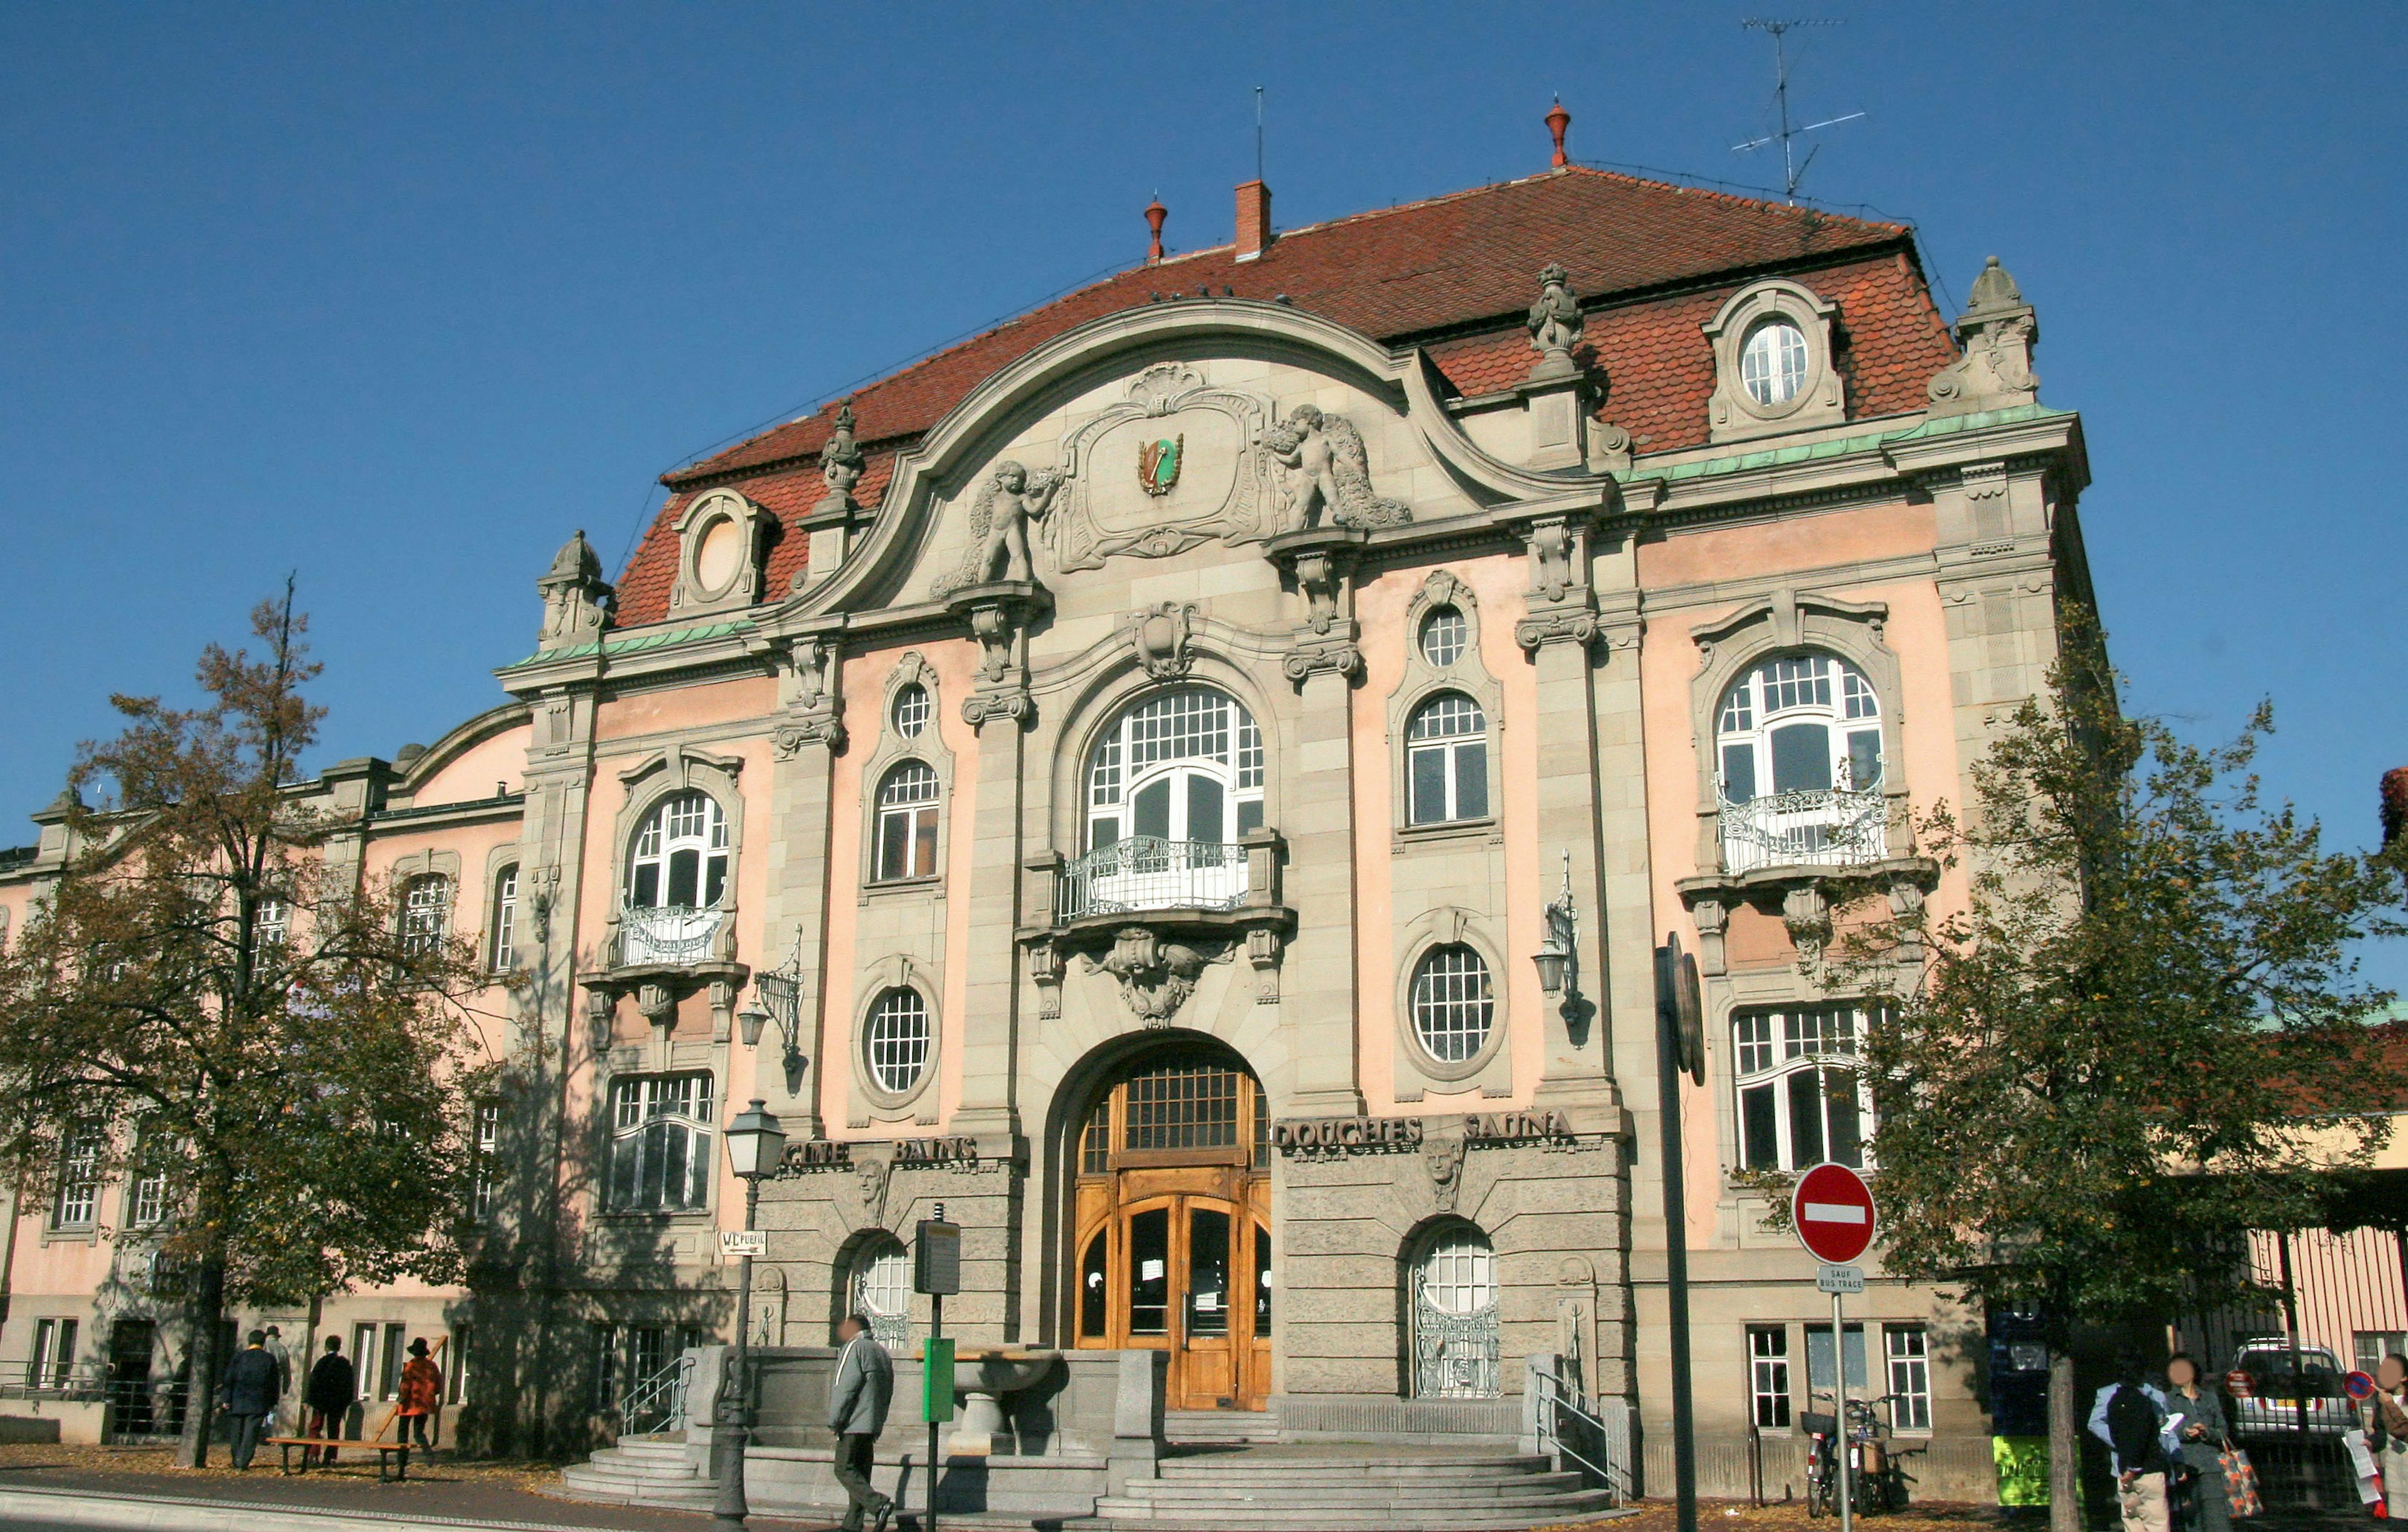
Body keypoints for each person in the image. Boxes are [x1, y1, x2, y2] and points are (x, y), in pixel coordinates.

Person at [828, 1314, 895, 1532]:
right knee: (861, 1474)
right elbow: (887, 1392)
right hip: (872, 1424)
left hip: (853, 1422)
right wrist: (879, 1423)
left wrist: (835, 1420)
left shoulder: (854, 1348)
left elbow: (844, 1388)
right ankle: (852, 1525)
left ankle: (879, 1504)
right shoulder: (881, 1352)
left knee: (843, 1469)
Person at [2090, 1355, 2172, 1532]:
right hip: (2147, 1469)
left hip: (2122, 1468)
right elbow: (2139, 1435)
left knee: (2132, 1522)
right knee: (2156, 1522)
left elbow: (2122, 1433)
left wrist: (2124, 1456)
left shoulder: (2114, 1401)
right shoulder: (2143, 1402)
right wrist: (2133, 1466)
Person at [2160, 1353, 2230, 1532]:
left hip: (2210, 1465)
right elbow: (2164, 1431)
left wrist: (2207, 1432)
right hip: (2184, 1464)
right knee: (2191, 1519)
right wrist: (2184, 1433)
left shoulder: (2209, 1397)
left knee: (2217, 1519)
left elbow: (2223, 1430)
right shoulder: (2166, 1399)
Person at [218, 1329, 282, 1471]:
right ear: (263, 1343)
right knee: (251, 1434)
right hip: (258, 1402)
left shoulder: (239, 1357)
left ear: (249, 1342)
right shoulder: (269, 1359)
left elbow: (229, 1379)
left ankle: (236, 1459)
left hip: (238, 1400)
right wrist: (272, 1402)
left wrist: (226, 1399)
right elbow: (274, 1383)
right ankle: (244, 1461)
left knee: (236, 1433)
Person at [304, 1335, 356, 1466]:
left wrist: (308, 1400)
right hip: (337, 1403)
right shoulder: (344, 1364)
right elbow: (349, 1385)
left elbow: (313, 1382)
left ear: (326, 1347)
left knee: (316, 1427)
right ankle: (331, 1456)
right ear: (339, 1347)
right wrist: (346, 1402)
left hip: (321, 1402)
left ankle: (313, 1453)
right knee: (334, 1429)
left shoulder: (322, 1362)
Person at [2368, 1353, 2408, 1519]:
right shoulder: (2382, 1399)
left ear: (2404, 1377)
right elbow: (2381, 1431)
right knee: (2398, 1518)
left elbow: (2403, 1430)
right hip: (2395, 1470)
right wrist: (2371, 1441)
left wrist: (2389, 1404)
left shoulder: (2387, 1401)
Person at [397, 1338, 442, 1452]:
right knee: (419, 1432)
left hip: (409, 1404)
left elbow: (405, 1385)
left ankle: (402, 1459)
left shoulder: (411, 1366)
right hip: (425, 1404)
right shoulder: (432, 1366)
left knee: (403, 1432)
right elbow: (438, 1387)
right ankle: (428, 1453)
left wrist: (400, 1398)